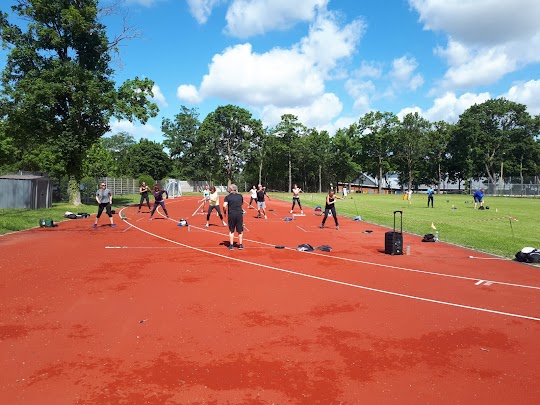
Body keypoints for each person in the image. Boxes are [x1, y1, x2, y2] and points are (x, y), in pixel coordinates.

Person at [223, 184, 244, 250]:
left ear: (231, 189)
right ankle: (240, 245)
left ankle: (231, 245)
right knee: (240, 230)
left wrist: (224, 212)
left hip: (231, 214)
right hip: (239, 214)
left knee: (231, 230)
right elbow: (242, 203)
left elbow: (224, 206)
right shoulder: (240, 196)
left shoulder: (227, 197)